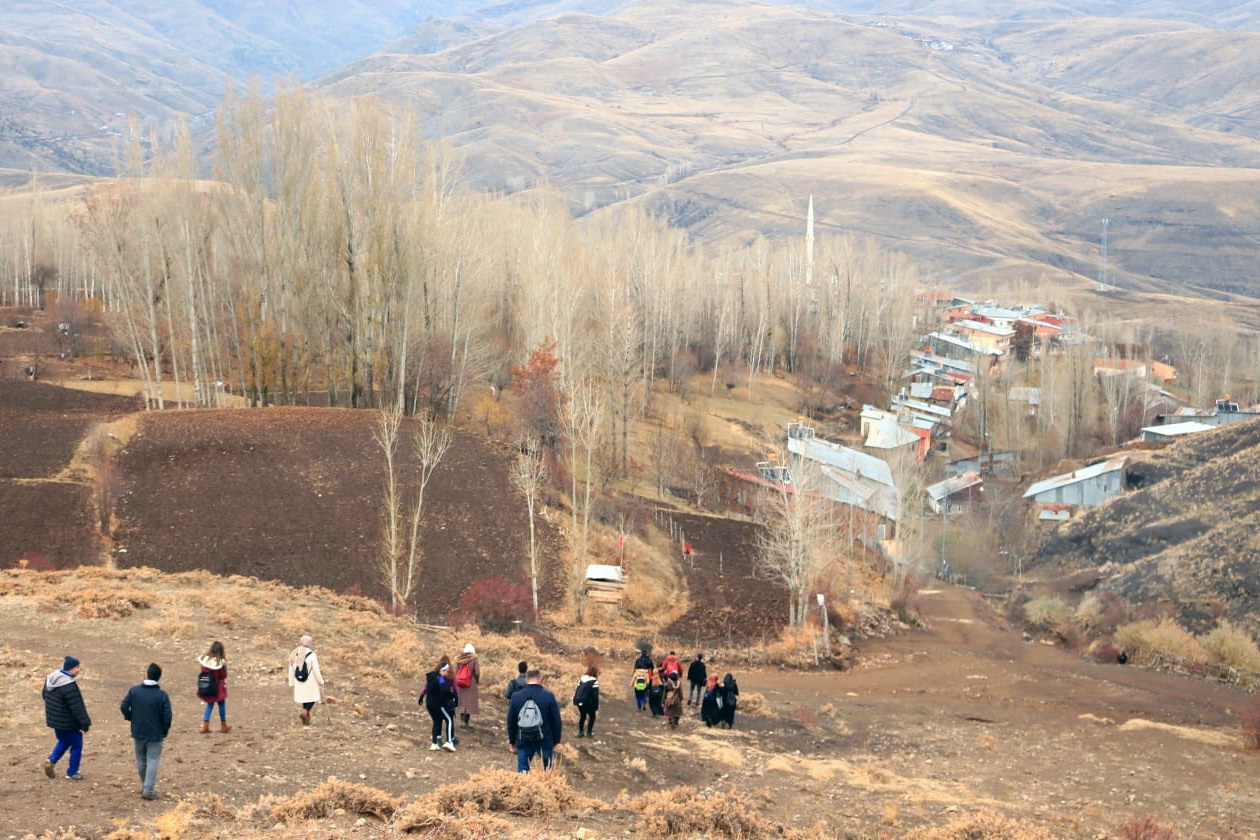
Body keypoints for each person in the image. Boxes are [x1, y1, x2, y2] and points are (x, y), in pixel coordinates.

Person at [120, 663, 173, 800]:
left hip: (138, 731)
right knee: (152, 760)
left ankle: (146, 786)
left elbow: (124, 706)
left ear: (146, 675)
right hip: (156, 733)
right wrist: (165, 730)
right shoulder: (162, 695)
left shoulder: (134, 691)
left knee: (141, 760)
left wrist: (131, 717)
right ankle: (148, 789)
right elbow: (167, 716)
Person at [42, 655, 91, 781]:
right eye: (77, 667)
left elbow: (45, 696)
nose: (79, 670)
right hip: (70, 723)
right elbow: (77, 707)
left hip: (55, 721)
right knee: (77, 745)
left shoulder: (51, 679)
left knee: (64, 741)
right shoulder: (69, 685)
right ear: (71, 668)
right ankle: (73, 771)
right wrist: (85, 723)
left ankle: (51, 760)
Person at [506, 669, 562, 773]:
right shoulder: (548, 696)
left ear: (526, 680)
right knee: (548, 770)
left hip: (523, 739)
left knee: (523, 770)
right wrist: (556, 741)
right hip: (545, 739)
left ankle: (524, 783)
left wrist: (512, 741)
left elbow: (511, 722)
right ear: (541, 679)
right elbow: (556, 721)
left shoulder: (516, 697)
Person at [420, 656, 458, 752]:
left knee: (436, 722)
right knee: (449, 720)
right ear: (442, 671)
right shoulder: (440, 678)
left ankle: (434, 743)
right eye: (446, 671)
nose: (447, 673)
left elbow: (426, 688)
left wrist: (421, 696)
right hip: (438, 704)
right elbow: (445, 688)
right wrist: (452, 695)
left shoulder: (431, 677)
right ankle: (449, 742)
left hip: (429, 704)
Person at [288, 635, 325, 725]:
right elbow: (316, 670)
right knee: (313, 697)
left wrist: (291, 682)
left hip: (298, 680)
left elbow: (291, 668)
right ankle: (305, 712)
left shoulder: (294, 653)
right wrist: (321, 681)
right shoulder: (312, 655)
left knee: (305, 698)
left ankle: (306, 717)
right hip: (310, 680)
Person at [197, 641, 230, 733]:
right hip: (218, 687)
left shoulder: (205, 660)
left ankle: (205, 726)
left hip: (208, 686)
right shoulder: (219, 663)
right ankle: (223, 725)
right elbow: (223, 675)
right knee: (222, 705)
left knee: (209, 705)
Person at [454, 643, 481, 729]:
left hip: (460, 683)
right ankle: (466, 722)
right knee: (469, 702)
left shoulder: (459, 659)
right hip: (470, 683)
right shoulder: (474, 659)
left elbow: (456, 671)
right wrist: (476, 680)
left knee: (462, 701)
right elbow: (477, 672)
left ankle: (461, 721)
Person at [573, 666, 600, 738]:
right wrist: (596, 706)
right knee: (592, 716)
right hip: (587, 702)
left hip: (579, 700)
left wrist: (575, 700)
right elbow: (595, 695)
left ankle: (580, 731)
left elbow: (577, 690)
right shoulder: (594, 681)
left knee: (582, 715)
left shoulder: (582, 679)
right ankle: (589, 732)